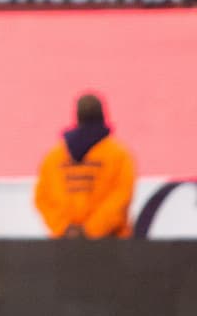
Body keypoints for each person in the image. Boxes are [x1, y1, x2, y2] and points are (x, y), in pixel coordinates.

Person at [34, 93, 135, 239]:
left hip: (66, 244)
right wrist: (91, 230)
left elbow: (42, 198)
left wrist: (65, 228)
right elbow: (121, 197)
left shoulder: (54, 156)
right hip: (110, 244)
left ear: (77, 117)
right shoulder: (118, 154)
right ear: (103, 115)